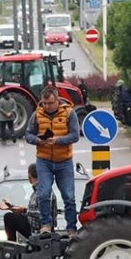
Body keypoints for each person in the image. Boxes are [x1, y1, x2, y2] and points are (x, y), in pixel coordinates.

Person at [0, 163, 62, 259]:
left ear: (30, 177)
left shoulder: (43, 192)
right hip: (35, 233)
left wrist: (23, 211)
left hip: (42, 235)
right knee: (10, 216)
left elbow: (43, 213)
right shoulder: (38, 191)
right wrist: (15, 208)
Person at [25, 86, 79, 237]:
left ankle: (71, 228)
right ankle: (46, 224)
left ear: (57, 100)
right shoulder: (37, 114)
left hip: (64, 161)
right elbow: (28, 134)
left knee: (69, 196)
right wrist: (38, 140)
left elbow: (75, 136)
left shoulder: (69, 113)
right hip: (44, 161)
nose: (47, 106)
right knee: (43, 194)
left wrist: (58, 140)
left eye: (50, 103)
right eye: (44, 103)